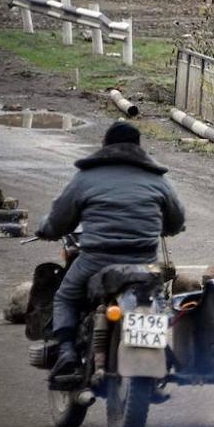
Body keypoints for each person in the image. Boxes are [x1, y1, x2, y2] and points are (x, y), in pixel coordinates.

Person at [36, 121, 185, 386]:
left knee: (65, 298)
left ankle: (68, 352)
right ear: (139, 147)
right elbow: (176, 220)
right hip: (144, 263)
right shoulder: (157, 179)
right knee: (155, 302)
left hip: (95, 259)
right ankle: (160, 349)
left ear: (105, 145)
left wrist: (45, 229)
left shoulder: (87, 177)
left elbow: (59, 220)